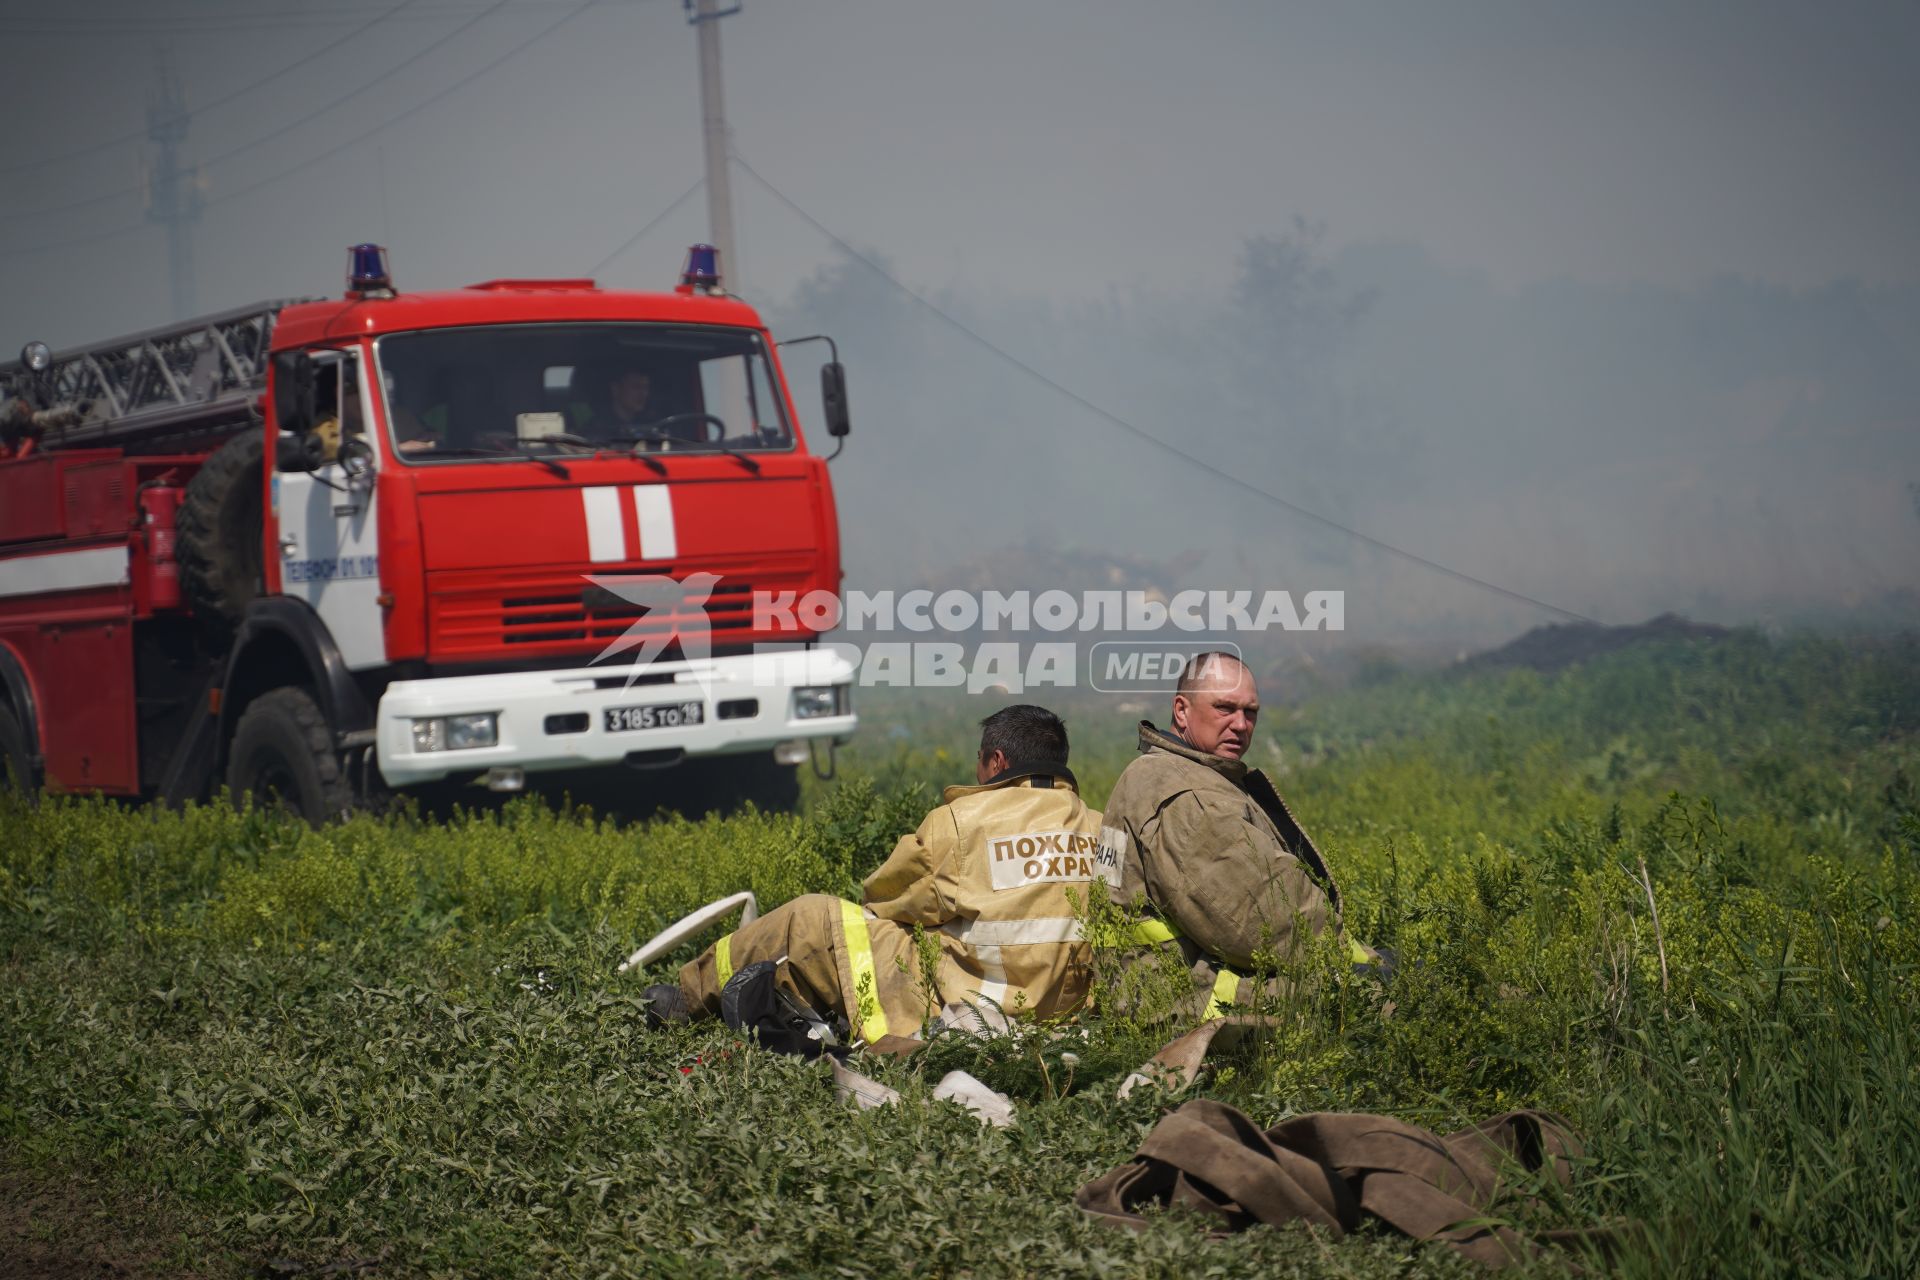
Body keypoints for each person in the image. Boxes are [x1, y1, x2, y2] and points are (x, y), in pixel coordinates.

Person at [645, 705, 1107, 1040]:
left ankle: (685, 1000)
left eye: (980, 761)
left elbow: (887, 899)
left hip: (969, 1004)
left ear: (998, 762)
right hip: (1061, 1016)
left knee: (813, 918)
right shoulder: (1102, 827)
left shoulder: (960, 823)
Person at [1095, 651, 1374, 1020]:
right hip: (1180, 1000)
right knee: (1375, 995)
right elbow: (1262, 921)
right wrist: (1356, 958)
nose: (1241, 724)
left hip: (1152, 988)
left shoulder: (1168, 773)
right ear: (1181, 711)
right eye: (1224, 708)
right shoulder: (1187, 795)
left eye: (1250, 712)